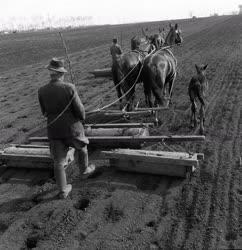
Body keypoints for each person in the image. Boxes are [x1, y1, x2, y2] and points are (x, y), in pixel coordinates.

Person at [38, 58, 95, 199]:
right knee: (82, 148)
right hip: (73, 128)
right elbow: (80, 110)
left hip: (54, 129)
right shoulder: (69, 87)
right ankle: (85, 170)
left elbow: (44, 112)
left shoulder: (41, 90)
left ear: (51, 73)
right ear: (61, 73)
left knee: (58, 161)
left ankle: (63, 190)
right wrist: (82, 118)